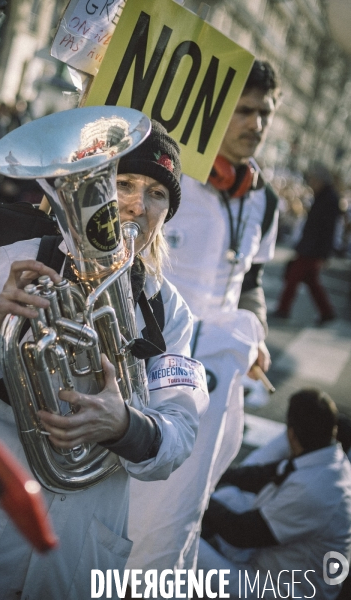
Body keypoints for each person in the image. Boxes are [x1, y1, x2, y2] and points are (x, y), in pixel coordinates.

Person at [0, 119, 209, 600]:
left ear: (168, 213)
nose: (136, 205)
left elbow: (180, 434)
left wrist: (125, 424)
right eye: (124, 183)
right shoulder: (19, 259)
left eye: (157, 195)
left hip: (78, 545)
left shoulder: (172, 313)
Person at [126, 60, 281, 586]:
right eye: (243, 110)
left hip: (221, 378)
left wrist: (256, 330)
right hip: (153, 364)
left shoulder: (267, 198)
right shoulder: (172, 180)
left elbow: (252, 277)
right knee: (134, 510)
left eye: (265, 112)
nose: (256, 124)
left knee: (182, 515)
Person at [197, 388, 351, 600]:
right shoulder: (327, 458)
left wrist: (197, 496)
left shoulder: (314, 489)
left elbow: (241, 533)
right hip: (272, 564)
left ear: (291, 433)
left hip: (284, 591)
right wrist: (210, 478)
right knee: (230, 496)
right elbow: (259, 475)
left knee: (186, 542)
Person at [274, 161, 341, 325]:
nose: (311, 183)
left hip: (313, 249)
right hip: (310, 247)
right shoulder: (324, 196)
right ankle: (326, 312)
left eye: (313, 179)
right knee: (311, 282)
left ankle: (284, 309)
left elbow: (328, 229)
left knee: (293, 278)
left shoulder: (329, 199)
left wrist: (324, 253)